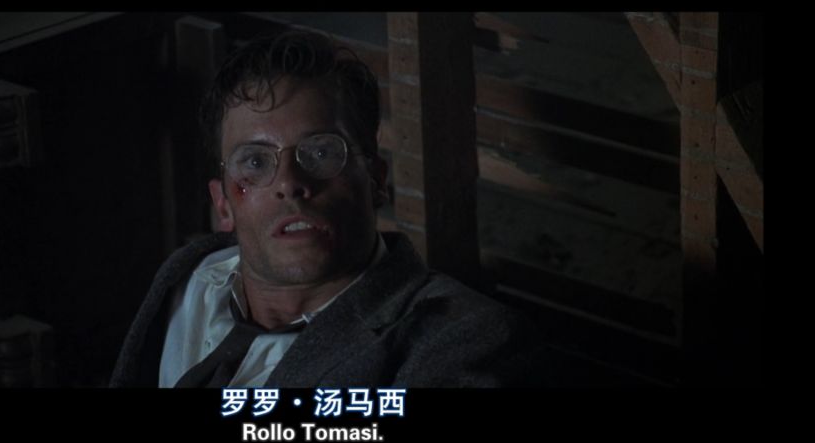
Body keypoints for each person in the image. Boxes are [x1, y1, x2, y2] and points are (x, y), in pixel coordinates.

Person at [110, 30, 541, 388]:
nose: (290, 183)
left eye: (320, 152)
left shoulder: (459, 338)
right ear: (223, 204)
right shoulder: (187, 276)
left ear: (375, 180)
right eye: (255, 162)